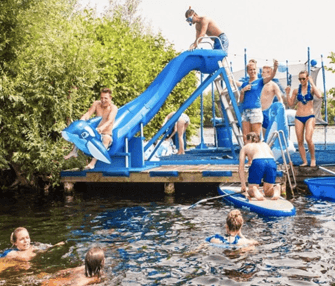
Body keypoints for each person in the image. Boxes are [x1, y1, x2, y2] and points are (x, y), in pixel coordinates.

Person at [64, 88, 118, 170]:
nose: (103, 100)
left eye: (105, 98)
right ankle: (74, 151)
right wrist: (81, 122)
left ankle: (92, 163)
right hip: (95, 132)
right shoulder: (96, 104)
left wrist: (100, 129)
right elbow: (88, 114)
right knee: (80, 131)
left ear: (110, 98)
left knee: (106, 139)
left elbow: (109, 121)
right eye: (101, 98)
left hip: (105, 134)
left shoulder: (113, 108)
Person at [285, 71, 322, 167]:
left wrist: (312, 82)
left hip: (310, 116)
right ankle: (305, 161)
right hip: (299, 116)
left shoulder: (311, 89)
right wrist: (287, 94)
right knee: (300, 140)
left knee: (308, 138)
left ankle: (313, 159)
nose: (301, 80)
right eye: (300, 79)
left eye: (303, 78)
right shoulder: (296, 91)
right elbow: (290, 104)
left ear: (307, 78)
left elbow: (319, 95)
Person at [240, 60, 278, 143]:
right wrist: (242, 91)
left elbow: (270, 77)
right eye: (250, 69)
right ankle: (249, 156)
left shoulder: (260, 81)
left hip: (255, 111)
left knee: (256, 137)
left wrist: (275, 68)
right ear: (247, 71)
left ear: (256, 70)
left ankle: (257, 155)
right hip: (245, 112)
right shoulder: (244, 84)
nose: (252, 71)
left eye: (254, 69)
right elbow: (241, 100)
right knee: (245, 138)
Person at [238, 132, 281, 201]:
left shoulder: (245, 147)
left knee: (251, 191)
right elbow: (273, 157)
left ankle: (254, 190)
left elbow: (241, 167)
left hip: (258, 161)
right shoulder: (265, 145)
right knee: (268, 192)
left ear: (248, 140)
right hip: (271, 162)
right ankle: (276, 187)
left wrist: (243, 185)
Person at [260, 65, 283, 133]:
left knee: (267, 133)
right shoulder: (259, 84)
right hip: (257, 111)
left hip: (267, 111)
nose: (263, 73)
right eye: (263, 72)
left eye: (265, 72)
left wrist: (280, 110)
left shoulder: (273, 85)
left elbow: (280, 98)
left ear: (270, 74)